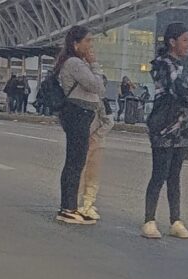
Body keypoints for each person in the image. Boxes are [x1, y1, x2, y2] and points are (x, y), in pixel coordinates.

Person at [142, 22, 188, 239]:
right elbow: (183, 93)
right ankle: (149, 221)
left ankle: (176, 220)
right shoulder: (164, 65)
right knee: (159, 175)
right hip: (163, 128)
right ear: (172, 42)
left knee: (174, 176)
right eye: (185, 40)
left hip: (180, 129)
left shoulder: (180, 66)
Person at [55, 25, 106, 224]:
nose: (91, 45)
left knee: (76, 161)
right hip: (77, 113)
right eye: (88, 41)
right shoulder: (75, 63)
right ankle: (67, 208)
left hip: (79, 114)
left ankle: (70, 206)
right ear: (76, 44)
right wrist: (95, 65)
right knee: (75, 162)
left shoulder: (74, 61)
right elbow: (97, 87)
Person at [78, 75, 115, 221]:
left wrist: (95, 136)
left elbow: (109, 122)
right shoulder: (85, 99)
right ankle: (77, 204)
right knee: (81, 173)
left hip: (96, 143)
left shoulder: (101, 101)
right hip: (84, 141)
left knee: (92, 175)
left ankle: (87, 204)